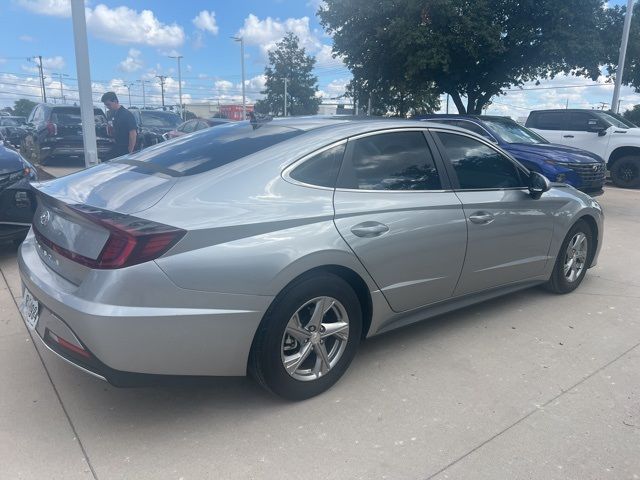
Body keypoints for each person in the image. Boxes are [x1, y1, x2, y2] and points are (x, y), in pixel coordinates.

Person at [101, 91, 137, 157]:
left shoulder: (126, 114)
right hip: (117, 147)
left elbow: (133, 133)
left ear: (115, 101)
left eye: (108, 104)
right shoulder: (113, 114)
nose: (107, 107)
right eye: (106, 105)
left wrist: (130, 150)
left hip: (125, 149)